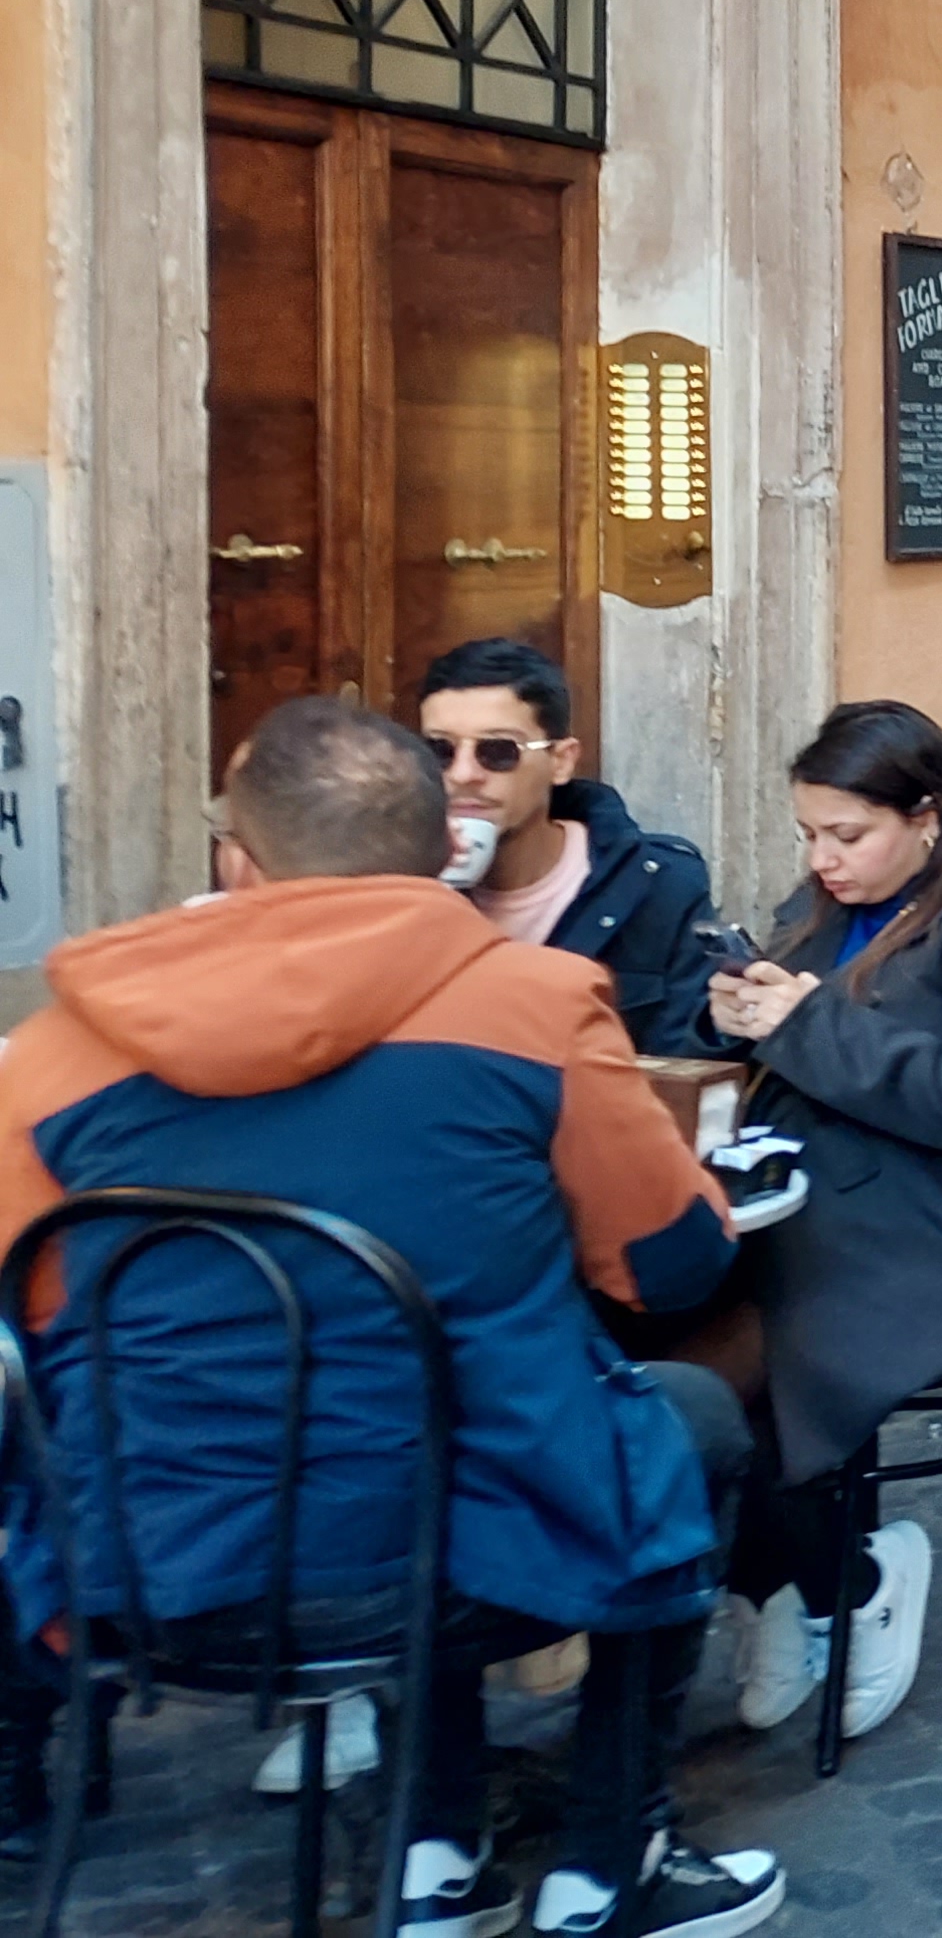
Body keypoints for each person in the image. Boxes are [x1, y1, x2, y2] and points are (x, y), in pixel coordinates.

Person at [0, 697, 781, 1937]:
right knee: (671, 1418)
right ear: (441, 854)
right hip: (464, 1556)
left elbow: (31, 1309)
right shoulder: (537, 1010)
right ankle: (607, 1862)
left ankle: (437, 1843)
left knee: (399, 1447)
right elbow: (669, 1265)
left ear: (238, 859)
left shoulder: (51, 1054)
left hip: (152, 1564)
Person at [699, 701, 942, 1753]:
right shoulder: (824, 908)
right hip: (836, 1189)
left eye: (846, 834)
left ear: (927, 819)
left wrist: (804, 1025)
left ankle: (848, 1581)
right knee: (671, 1310)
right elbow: (795, 1038)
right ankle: (776, 1580)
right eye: (807, 834)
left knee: (762, 1325)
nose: (820, 859)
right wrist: (733, 1014)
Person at [415, 638, 721, 1057]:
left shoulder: (659, 887)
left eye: (498, 751)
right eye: (439, 751)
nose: (463, 774)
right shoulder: (391, 883)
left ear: (561, 761)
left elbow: (686, 1067)